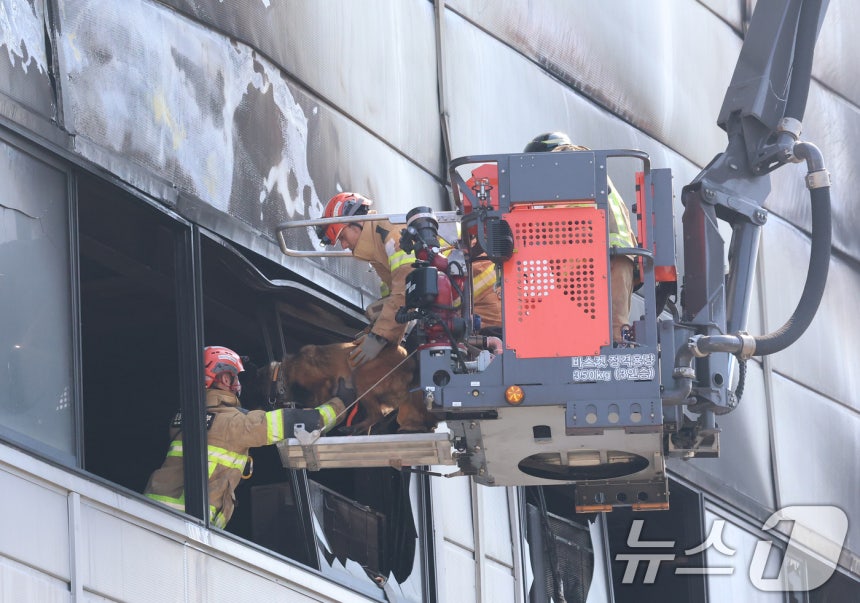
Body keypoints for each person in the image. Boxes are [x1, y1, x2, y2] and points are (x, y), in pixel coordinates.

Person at [144, 345, 354, 528]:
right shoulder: (232, 424)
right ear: (224, 378)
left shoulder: (187, 418)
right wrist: (341, 404)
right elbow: (300, 424)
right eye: (235, 377)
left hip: (155, 515)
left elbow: (226, 423)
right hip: (181, 523)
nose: (238, 383)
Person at [318, 192, 501, 370]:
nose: (343, 245)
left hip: (484, 301)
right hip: (463, 303)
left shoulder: (392, 236)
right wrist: (378, 328)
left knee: (425, 352)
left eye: (342, 237)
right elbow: (402, 298)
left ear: (356, 223)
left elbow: (403, 292)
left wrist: (378, 338)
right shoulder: (378, 245)